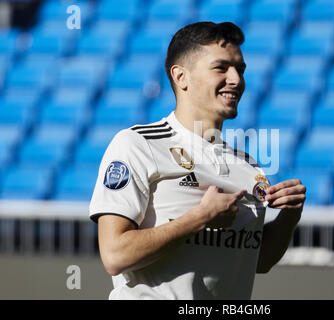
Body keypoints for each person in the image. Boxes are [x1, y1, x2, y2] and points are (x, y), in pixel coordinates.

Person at [89, 21, 306, 300]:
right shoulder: (138, 144)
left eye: (240, 69)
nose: (236, 80)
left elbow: (257, 262)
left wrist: (289, 217)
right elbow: (115, 255)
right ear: (181, 77)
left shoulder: (249, 167)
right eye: (221, 68)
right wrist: (200, 218)